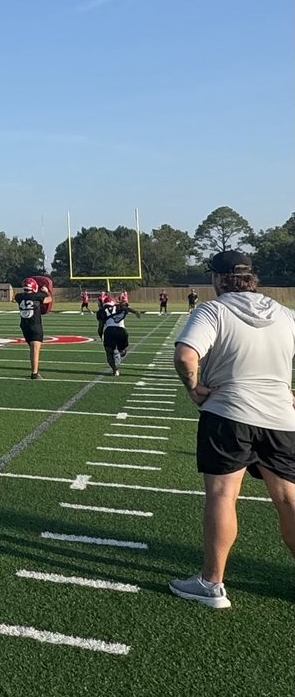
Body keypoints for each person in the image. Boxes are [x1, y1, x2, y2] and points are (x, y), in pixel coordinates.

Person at [169, 250, 295, 609]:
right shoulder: (285, 313)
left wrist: (192, 388)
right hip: (281, 419)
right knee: (288, 499)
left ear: (219, 278)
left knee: (223, 496)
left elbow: (184, 356)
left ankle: (211, 584)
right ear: (251, 276)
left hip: (228, 414)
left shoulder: (214, 310)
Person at [14, 277, 52, 379]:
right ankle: (34, 373)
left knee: (32, 349)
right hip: (34, 325)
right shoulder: (37, 296)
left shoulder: (19, 296)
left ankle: (34, 370)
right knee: (35, 349)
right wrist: (47, 292)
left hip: (24, 325)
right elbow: (49, 299)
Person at [95, 294, 142, 376]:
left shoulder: (101, 311)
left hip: (109, 331)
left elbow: (100, 327)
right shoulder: (119, 307)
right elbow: (127, 308)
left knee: (109, 353)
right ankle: (119, 353)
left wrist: (100, 335)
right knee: (123, 350)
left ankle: (115, 370)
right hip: (121, 330)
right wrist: (135, 312)